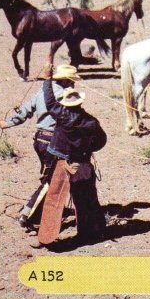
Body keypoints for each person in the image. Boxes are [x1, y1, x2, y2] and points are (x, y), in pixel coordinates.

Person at [0, 64, 78, 228]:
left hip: (39, 141)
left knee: (47, 175)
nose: (74, 84)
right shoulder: (65, 96)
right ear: (66, 80)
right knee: (50, 181)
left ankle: (41, 210)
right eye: (72, 81)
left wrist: (8, 123)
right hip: (54, 143)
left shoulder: (42, 92)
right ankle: (27, 213)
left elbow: (25, 111)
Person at [41, 77, 107, 244]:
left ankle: (47, 237)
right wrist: (87, 149)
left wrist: (46, 79)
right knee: (87, 198)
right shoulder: (91, 122)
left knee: (54, 199)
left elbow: (49, 101)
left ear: (65, 104)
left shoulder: (61, 115)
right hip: (83, 164)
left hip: (62, 164)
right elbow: (101, 141)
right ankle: (91, 232)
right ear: (79, 103)